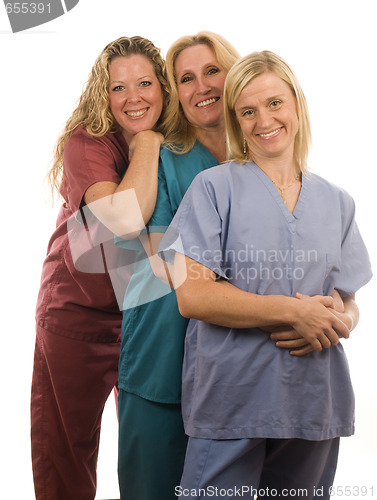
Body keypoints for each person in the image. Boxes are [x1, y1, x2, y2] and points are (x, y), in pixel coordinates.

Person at [158, 50, 372, 499]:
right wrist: (293, 315)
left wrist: (340, 319)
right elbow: (192, 297)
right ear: (236, 121)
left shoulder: (337, 201)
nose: (264, 120)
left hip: (313, 399)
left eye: (275, 103)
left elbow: (346, 298)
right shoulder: (214, 188)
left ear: (297, 104)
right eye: (248, 111)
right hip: (232, 399)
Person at [31, 36, 169, 500]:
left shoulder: (182, 139)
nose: (134, 98)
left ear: (164, 88)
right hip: (77, 315)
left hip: (145, 317)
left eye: (145, 83)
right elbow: (124, 220)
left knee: (152, 449)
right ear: (103, 95)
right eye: (119, 88)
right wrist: (147, 144)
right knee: (67, 453)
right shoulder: (86, 142)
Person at [114, 32, 240, 500]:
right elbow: (159, 254)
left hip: (233, 367)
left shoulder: (263, 155)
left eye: (211, 71)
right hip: (159, 359)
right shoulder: (162, 157)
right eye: (185, 78)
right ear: (174, 92)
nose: (200, 87)